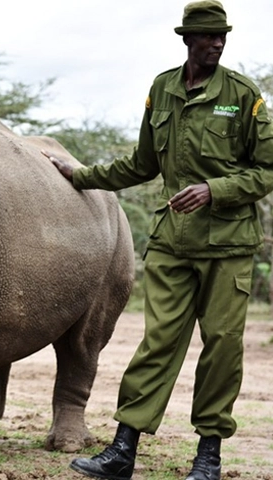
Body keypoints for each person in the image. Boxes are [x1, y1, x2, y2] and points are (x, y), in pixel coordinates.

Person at [42, 1, 273, 479]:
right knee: (157, 345)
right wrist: (82, 175)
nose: (217, 43)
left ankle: (208, 457)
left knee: (222, 348)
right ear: (188, 39)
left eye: (222, 35)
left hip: (228, 246)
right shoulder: (162, 89)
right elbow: (142, 163)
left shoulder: (243, 94)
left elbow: (267, 168)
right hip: (172, 244)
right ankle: (122, 451)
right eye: (208, 36)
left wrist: (216, 190)